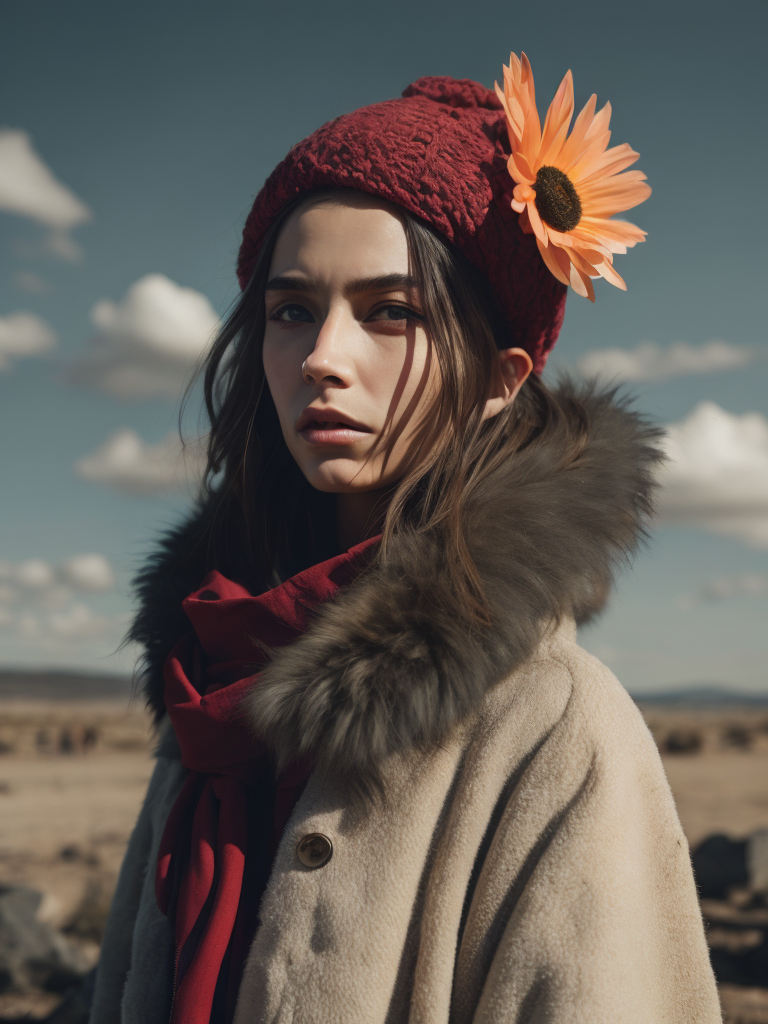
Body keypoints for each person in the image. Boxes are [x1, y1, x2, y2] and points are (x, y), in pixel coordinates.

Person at [90, 54, 722, 1024]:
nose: (323, 359)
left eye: (392, 312)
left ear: (503, 376)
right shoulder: (210, 674)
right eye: (291, 309)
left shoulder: (556, 729)